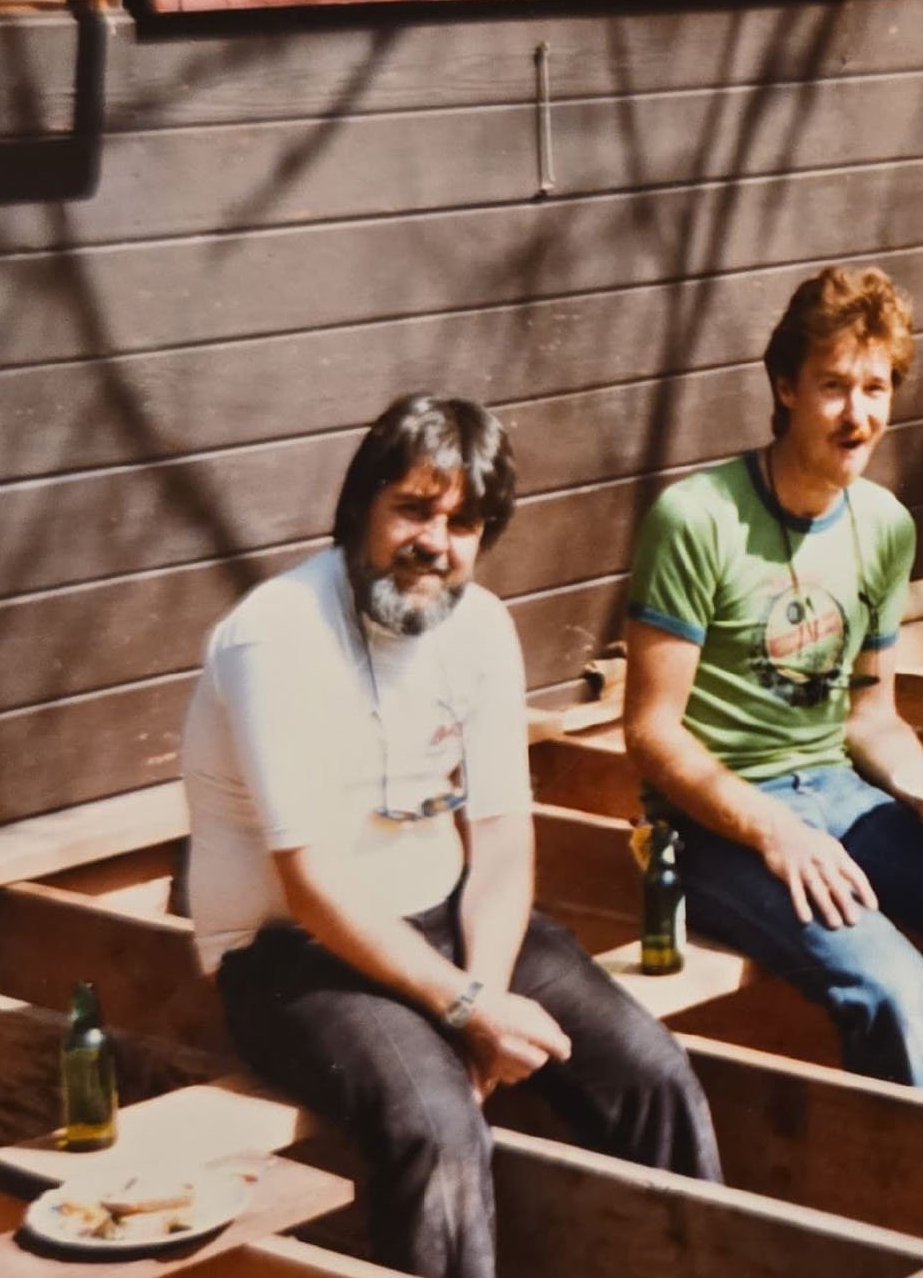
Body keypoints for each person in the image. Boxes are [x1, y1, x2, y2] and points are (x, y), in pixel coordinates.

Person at [182, 395, 720, 1278]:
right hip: (291, 954)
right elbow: (313, 883)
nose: (437, 541)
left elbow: (504, 838)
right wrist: (469, 1010)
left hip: (445, 924)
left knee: (654, 1077)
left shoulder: (479, 628)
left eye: (464, 521)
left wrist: (482, 995)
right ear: (361, 507)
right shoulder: (275, 638)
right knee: (437, 1131)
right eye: (414, 509)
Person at [621, 267, 923, 1090]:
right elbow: (650, 732)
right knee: (892, 986)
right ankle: (919, 1199)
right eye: (834, 386)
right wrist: (773, 830)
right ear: (784, 387)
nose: (859, 415)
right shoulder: (697, 518)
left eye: (876, 387)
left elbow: (869, 713)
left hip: (842, 795)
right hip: (717, 825)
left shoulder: (884, 526)